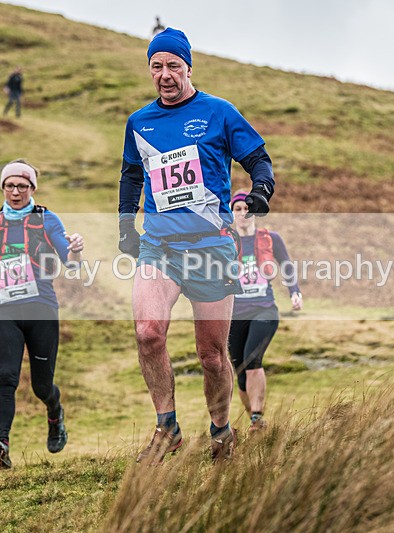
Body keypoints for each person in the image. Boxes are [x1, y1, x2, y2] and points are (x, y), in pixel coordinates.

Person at [118, 28, 275, 463]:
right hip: (160, 247)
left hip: (211, 247)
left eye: (173, 66)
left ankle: (221, 428)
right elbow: (132, 175)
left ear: (189, 67)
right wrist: (125, 226)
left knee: (211, 355)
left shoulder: (219, 112)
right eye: (157, 67)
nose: (165, 75)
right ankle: (166, 427)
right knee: (148, 332)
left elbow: (258, 157)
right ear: (149, 70)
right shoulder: (140, 122)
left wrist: (261, 190)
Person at [0, 159, 84, 469]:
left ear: (32, 188)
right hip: (3, 305)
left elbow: (70, 261)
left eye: (22, 185)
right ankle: (2, 443)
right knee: (6, 377)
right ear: (3, 188)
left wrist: (76, 248)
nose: (15, 191)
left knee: (41, 386)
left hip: (41, 308)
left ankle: (55, 412)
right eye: (9, 185)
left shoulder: (48, 220)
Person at [228, 191, 302, 432]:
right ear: (232, 213)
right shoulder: (226, 241)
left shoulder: (270, 238)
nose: (243, 213)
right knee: (239, 372)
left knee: (252, 359)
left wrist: (294, 291)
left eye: (247, 208)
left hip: (264, 309)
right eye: (238, 209)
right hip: (233, 314)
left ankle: (257, 418)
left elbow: (286, 265)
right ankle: (256, 422)